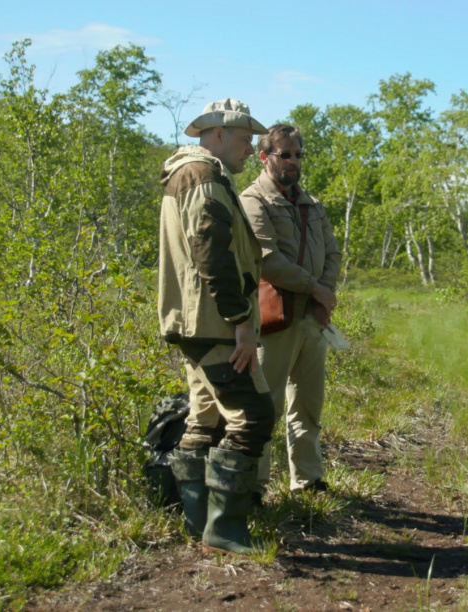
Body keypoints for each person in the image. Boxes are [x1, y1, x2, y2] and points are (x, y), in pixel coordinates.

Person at [158, 98, 275, 554]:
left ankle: (199, 523)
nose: (252, 149)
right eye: (246, 140)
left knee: (205, 416)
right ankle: (224, 531)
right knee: (254, 416)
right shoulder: (203, 176)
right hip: (211, 322)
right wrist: (242, 321)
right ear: (218, 135)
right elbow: (212, 253)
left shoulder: (195, 174)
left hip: (197, 320)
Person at [239, 124, 342, 496]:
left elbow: (332, 251)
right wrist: (315, 288)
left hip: (312, 318)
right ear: (265, 157)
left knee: (309, 404)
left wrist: (324, 293)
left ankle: (308, 479)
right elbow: (266, 259)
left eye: (298, 154)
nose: (294, 161)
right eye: (285, 154)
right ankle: (254, 487)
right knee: (265, 406)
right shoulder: (253, 201)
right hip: (275, 318)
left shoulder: (311, 204)